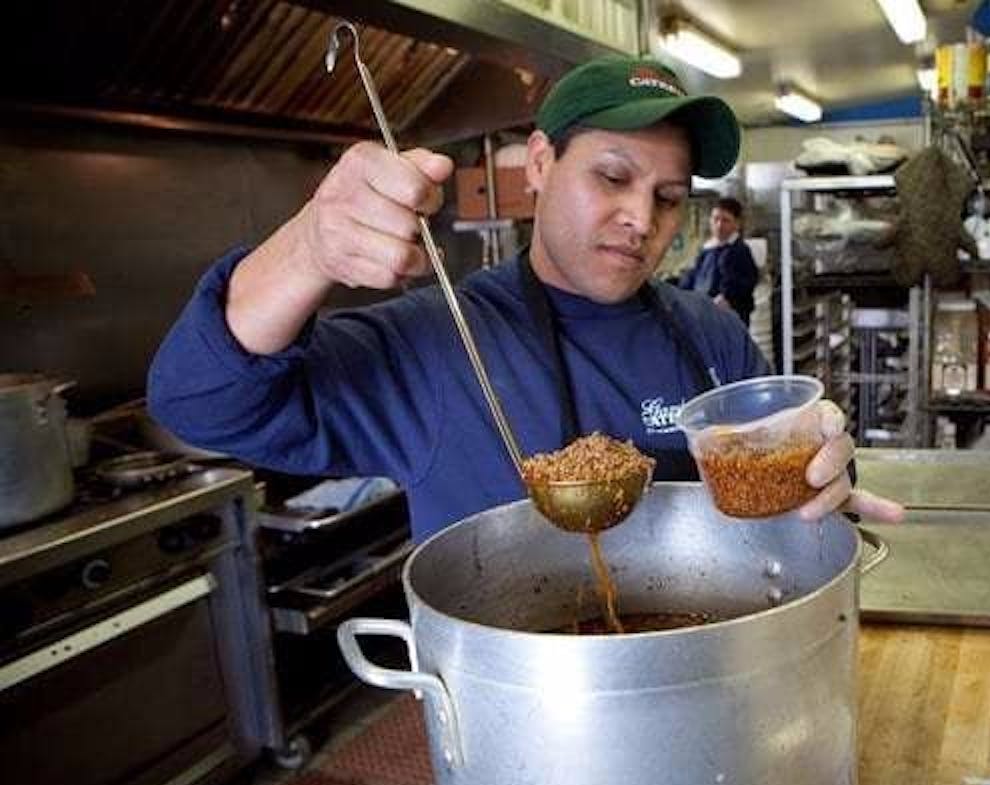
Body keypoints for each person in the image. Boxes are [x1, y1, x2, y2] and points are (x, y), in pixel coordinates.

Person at [148, 55, 903, 542]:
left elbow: (798, 506)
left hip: (703, 686)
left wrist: (827, 483)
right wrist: (308, 248)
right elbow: (199, 403)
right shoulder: (442, 344)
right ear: (540, 163)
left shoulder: (712, 339)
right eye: (611, 178)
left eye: (669, 197)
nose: (643, 220)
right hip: (526, 722)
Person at [676, 197, 758, 325]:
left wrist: (728, 298)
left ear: (737, 224)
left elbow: (746, 283)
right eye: (716, 219)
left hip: (728, 318)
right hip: (703, 314)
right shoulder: (706, 249)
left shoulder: (739, 251)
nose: (719, 225)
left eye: (726, 220)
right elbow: (692, 278)